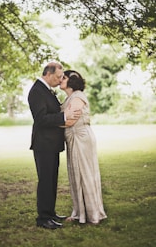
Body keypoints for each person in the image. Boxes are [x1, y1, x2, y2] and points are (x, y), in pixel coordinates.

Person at [28, 62, 81, 230]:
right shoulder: (36, 91)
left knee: (52, 180)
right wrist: (64, 116)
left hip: (51, 144)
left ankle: (50, 213)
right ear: (48, 74)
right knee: (45, 181)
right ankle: (43, 218)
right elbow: (41, 119)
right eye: (58, 77)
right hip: (43, 144)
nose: (60, 81)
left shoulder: (46, 91)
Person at [60, 70, 107, 225]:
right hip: (73, 140)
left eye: (64, 77)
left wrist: (49, 123)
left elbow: (69, 121)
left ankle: (93, 215)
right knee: (76, 176)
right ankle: (80, 213)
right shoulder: (69, 98)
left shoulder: (78, 96)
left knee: (85, 174)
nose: (61, 79)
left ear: (72, 81)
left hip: (81, 139)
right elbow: (66, 118)